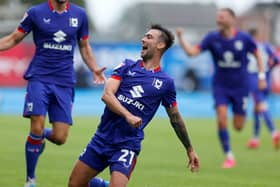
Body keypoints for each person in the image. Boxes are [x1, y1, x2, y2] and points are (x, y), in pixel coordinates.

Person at [68, 24, 200, 187]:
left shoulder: (166, 83)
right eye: (144, 36)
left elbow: (175, 118)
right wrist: (128, 115)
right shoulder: (127, 65)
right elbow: (107, 95)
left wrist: (190, 149)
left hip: (127, 144)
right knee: (74, 184)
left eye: (149, 37)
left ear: (160, 45)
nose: (143, 39)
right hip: (102, 138)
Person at [0, 1, 106, 187]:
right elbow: (14, 38)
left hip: (64, 82)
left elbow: (84, 45)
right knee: (36, 126)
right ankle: (30, 179)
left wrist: (94, 68)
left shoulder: (79, 15)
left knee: (60, 137)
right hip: (39, 77)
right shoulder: (35, 12)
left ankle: (38, 137)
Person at [176, 8, 266, 168]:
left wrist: (261, 77)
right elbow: (191, 53)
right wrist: (181, 38)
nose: (219, 20)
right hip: (221, 86)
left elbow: (258, 54)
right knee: (222, 117)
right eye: (218, 17)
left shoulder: (244, 38)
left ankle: (237, 122)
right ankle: (229, 156)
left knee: (238, 126)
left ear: (232, 19)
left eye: (222, 17)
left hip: (241, 87)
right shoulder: (212, 38)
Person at [246, 28, 280, 149]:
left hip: (254, 80)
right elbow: (276, 60)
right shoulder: (266, 46)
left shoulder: (247, 47)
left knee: (261, 107)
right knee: (256, 109)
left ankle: (274, 132)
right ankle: (255, 139)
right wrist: (268, 71)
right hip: (266, 79)